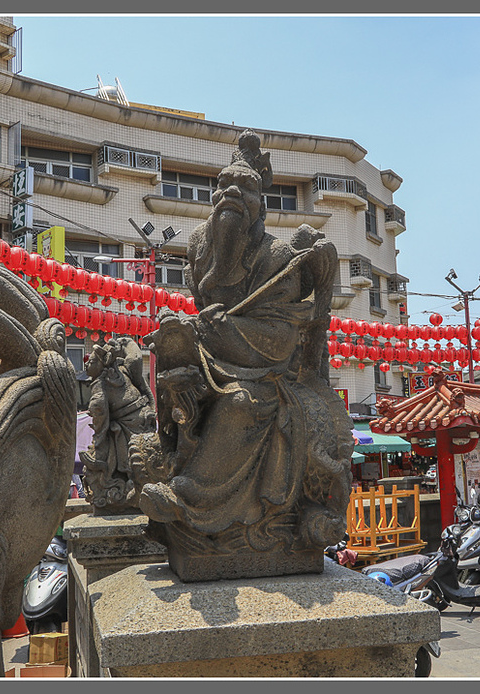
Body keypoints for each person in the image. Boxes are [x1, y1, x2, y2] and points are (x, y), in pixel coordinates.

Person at [138, 131, 353, 555]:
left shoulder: (278, 259)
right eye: (223, 186)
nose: (232, 193)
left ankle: (190, 497)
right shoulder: (199, 246)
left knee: (239, 403)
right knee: (173, 367)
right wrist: (185, 329)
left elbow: (280, 339)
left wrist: (221, 330)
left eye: (246, 188)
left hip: (262, 371)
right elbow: (201, 307)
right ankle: (167, 461)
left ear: (260, 206)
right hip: (212, 355)